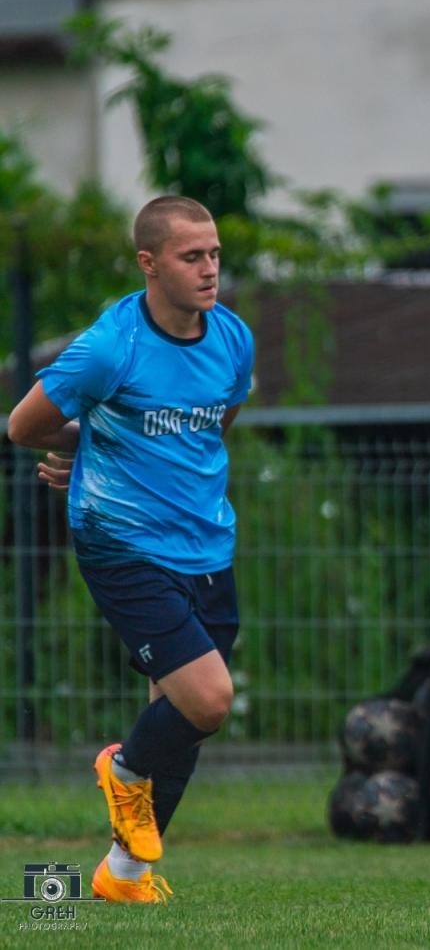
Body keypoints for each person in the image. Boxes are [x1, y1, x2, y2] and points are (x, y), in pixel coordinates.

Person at [5, 195, 253, 904]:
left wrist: (126, 452)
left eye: (214, 254)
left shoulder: (232, 337)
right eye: (191, 256)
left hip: (207, 544)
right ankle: (123, 771)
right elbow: (23, 426)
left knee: (178, 719)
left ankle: (123, 875)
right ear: (149, 264)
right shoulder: (110, 348)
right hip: (122, 544)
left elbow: (214, 423)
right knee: (209, 700)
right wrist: (88, 451)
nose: (209, 269)